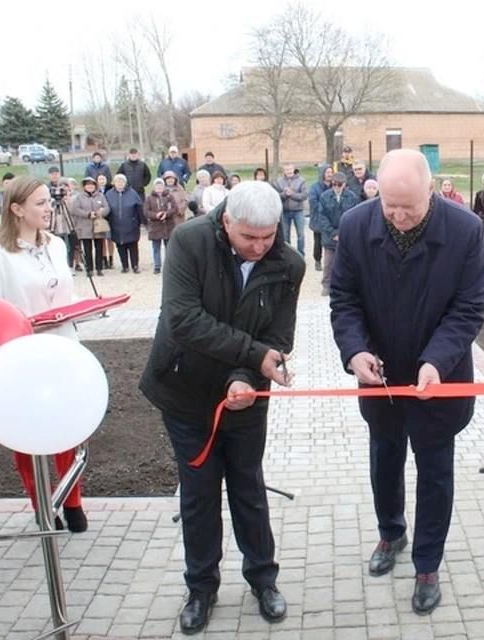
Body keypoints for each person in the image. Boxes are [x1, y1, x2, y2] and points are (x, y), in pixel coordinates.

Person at [140, 181, 304, 634]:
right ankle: (201, 588)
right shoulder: (189, 241)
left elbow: (278, 337)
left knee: (249, 488)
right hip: (185, 390)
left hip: (247, 398)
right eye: (249, 237)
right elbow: (184, 320)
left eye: (268, 236)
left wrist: (244, 378)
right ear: (227, 220)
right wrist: (253, 358)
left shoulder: (289, 264)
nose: (259, 246)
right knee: (199, 493)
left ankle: (263, 579)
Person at [329, 149, 484, 615]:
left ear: (431, 193)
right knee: (384, 457)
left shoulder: (464, 231)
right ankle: (391, 533)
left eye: (410, 209)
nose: (398, 217)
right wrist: (355, 350)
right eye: (390, 207)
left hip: (437, 378)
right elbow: (344, 298)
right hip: (378, 375)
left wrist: (437, 360)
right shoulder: (358, 226)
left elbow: (469, 308)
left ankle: (427, 563)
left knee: (435, 471)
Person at [0, 175, 89, 534]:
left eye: (48, 201)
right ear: (17, 209)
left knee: (68, 426)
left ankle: (73, 499)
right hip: (22, 357)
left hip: (63, 347)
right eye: (39, 202)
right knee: (29, 434)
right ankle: (42, 502)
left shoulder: (55, 244)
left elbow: (63, 293)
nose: (48, 207)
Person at [315, 171, 358, 296]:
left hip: (346, 235)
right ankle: (326, 286)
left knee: (348, 262)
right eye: (334, 184)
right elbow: (322, 217)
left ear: (344, 184)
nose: (336, 187)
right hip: (330, 236)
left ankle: (347, 285)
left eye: (339, 184)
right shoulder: (324, 196)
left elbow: (353, 216)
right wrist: (333, 233)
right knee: (328, 263)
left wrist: (342, 232)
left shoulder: (352, 197)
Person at [71, 177, 109, 277]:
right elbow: (75, 209)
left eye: (92, 185)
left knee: (99, 248)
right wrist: (87, 214)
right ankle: (89, 269)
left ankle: (99, 268)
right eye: (88, 185)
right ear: (84, 186)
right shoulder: (79, 197)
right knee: (87, 249)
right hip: (84, 226)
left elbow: (107, 208)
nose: (90, 186)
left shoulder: (100, 196)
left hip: (98, 226)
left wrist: (100, 212)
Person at [106, 174, 144, 273]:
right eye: (118, 181)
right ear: (114, 183)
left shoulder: (133, 193)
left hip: (131, 224)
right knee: (120, 246)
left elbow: (139, 208)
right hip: (116, 225)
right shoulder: (109, 194)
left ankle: (135, 265)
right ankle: (125, 266)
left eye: (122, 181)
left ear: (125, 182)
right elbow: (106, 209)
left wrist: (141, 221)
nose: (120, 183)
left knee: (133, 246)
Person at [145, 178, 177, 274]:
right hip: (155, 226)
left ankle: (169, 265)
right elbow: (146, 211)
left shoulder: (169, 196)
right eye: (157, 186)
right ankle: (157, 266)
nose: (159, 187)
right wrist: (156, 215)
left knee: (169, 247)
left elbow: (174, 208)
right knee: (156, 248)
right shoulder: (149, 198)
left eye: (161, 185)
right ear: (154, 187)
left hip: (168, 225)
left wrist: (166, 214)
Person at [275, 164, 308, 257]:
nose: (289, 171)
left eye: (290, 169)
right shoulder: (279, 182)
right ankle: (287, 255)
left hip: (298, 211)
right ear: (283, 171)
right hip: (285, 212)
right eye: (286, 169)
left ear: (294, 169)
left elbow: (304, 195)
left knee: (301, 235)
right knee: (285, 235)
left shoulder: (301, 181)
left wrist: (292, 194)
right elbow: (277, 196)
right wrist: (285, 194)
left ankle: (301, 254)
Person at [308, 166, 334, 272]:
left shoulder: (335, 185)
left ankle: (331, 262)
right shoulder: (315, 187)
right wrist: (326, 207)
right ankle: (317, 260)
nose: (329, 174)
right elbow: (313, 201)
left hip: (331, 218)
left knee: (332, 241)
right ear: (322, 173)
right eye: (327, 172)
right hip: (318, 219)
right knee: (318, 242)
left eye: (331, 172)